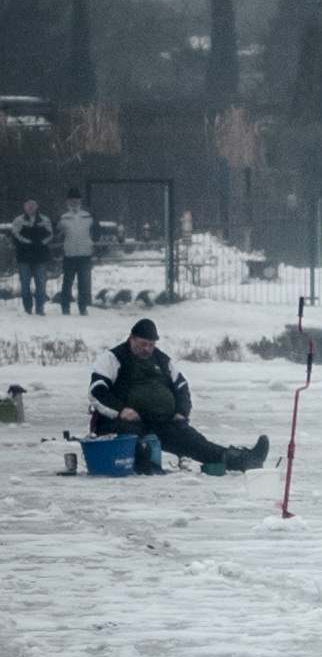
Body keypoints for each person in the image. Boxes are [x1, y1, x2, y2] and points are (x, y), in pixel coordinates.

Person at [87, 319, 269, 470]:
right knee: (139, 448)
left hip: (163, 422)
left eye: (151, 345)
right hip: (125, 424)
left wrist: (181, 412)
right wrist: (121, 411)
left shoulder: (162, 359)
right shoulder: (113, 358)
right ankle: (147, 467)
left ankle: (244, 460)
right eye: (143, 344)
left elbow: (181, 387)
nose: (148, 349)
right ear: (131, 339)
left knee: (197, 443)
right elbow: (97, 390)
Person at [53, 189, 94, 316]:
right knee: (67, 282)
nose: (74, 201)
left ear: (80, 200)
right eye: (72, 199)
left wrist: (91, 242)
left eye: (77, 199)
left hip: (85, 254)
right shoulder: (63, 216)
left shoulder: (88, 215)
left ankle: (83, 307)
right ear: (68, 201)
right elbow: (56, 234)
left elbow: (96, 231)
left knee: (84, 283)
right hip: (69, 254)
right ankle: (65, 307)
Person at [10, 199, 50, 314]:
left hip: (40, 256)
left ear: (37, 207)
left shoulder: (45, 220)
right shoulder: (18, 220)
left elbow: (50, 235)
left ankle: (40, 308)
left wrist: (40, 243)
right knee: (25, 283)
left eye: (33, 206)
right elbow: (15, 235)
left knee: (41, 283)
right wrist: (28, 242)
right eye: (28, 206)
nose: (31, 208)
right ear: (24, 207)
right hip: (24, 256)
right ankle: (28, 307)